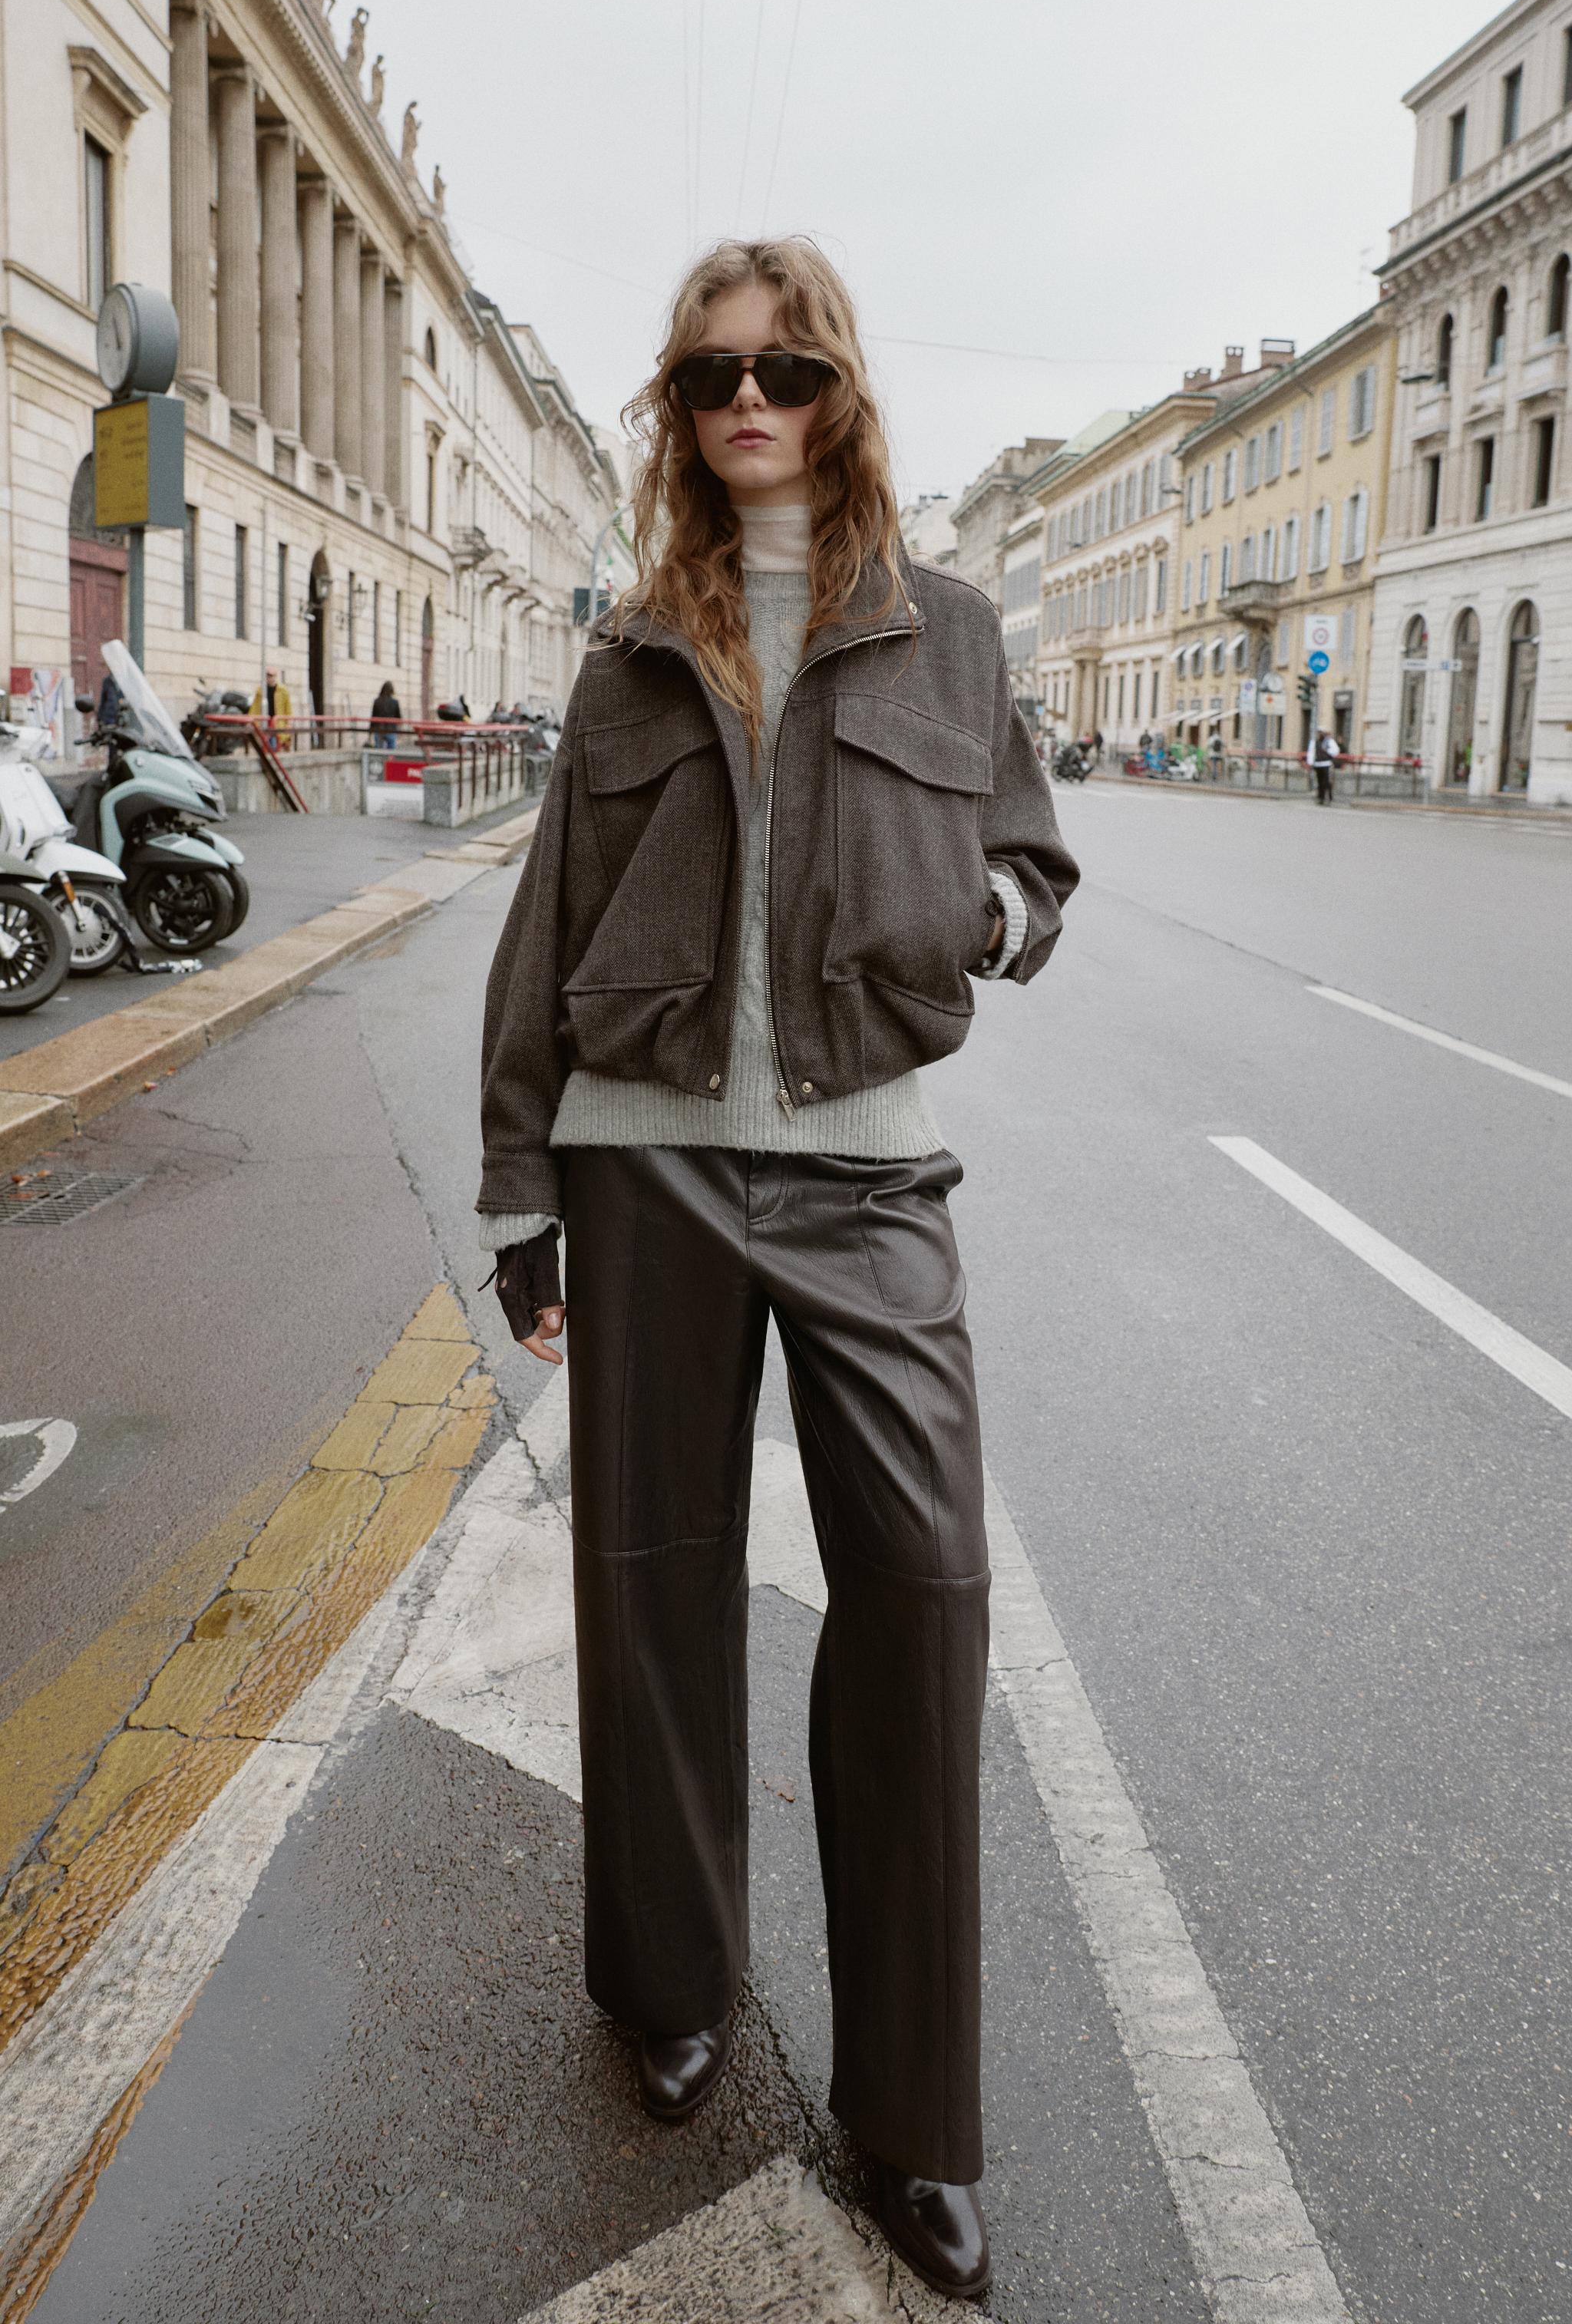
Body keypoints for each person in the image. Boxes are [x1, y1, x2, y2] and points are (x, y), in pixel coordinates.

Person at [476, 237, 1078, 2304]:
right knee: (646, 1591)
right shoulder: (636, 644)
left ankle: (915, 2121)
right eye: (715, 372)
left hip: (868, 1179)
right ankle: (668, 1983)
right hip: (643, 1170)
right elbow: (546, 931)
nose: (752, 400)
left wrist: (983, 920)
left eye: (790, 367)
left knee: (922, 1590)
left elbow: (1034, 869)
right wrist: (517, 1192)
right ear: (679, 405)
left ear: (842, 393)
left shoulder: (957, 633)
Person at [249, 668, 292, 742]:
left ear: (276, 676)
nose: (270, 678)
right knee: (265, 742)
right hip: (264, 721)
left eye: (272, 676)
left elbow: (288, 708)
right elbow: (255, 707)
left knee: (274, 743)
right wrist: (250, 720)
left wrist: (288, 722)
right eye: (268, 675)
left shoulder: (283, 691)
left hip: (277, 722)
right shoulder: (260, 690)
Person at [1309, 725, 1338, 803]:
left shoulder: (1329, 741)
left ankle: (1329, 796)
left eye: (1321, 733)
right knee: (1320, 782)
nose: (1319, 734)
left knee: (1327, 782)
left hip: (1327, 764)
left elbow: (1336, 751)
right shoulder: (1315, 742)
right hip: (1318, 764)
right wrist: (1310, 762)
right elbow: (1311, 752)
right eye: (1318, 733)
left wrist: (1327, 751)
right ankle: (1321, 797)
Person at [372, 679, 401, 750]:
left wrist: (371, 730)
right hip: (391, 729)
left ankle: (379, 761)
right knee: (391, 751)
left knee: (378, 751)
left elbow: (373, 717)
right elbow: (398, 717)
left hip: (379, 729)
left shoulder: (377, 701)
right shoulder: (395, 702)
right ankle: (390, 760)